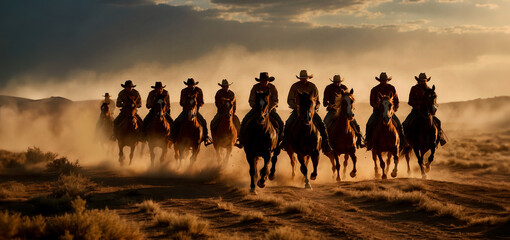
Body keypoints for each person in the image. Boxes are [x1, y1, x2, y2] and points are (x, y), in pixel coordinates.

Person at [283, 70, 333, 154]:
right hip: (298, 110)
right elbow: (289, 100)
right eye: (302, 78)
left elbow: (317, 101)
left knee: (321, 124)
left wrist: (313, 108)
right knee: (288, 123)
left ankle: (326, 143)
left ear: (308, 78)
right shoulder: (294, 87)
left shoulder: (312, 87)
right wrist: (296, 107)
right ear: (300, 79)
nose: (303, 80)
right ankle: (285, 142)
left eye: (305, 78)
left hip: (310, 110)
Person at [238, 72, 284, 148]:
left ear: (268, 81)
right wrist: (256, 107)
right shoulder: (255, 87)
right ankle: (241, 139)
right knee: (244, 120)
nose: (264, 82)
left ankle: (281, 140)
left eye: (265, 81)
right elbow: (251, 100)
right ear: (260, 81)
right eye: (262, 81)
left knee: (280, 122)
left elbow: (275, 100)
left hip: (269, 109)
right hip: (257, 109)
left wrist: (270, 108)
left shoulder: (272, 88)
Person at [365, 72, 408, 150]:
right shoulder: (375, 89)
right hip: (377, 112)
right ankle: (368, 142)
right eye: (382, 80)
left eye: (385, 80)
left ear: (387, 80)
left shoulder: (392, 88)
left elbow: (396, 100)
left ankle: (402, 142)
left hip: (389, 112)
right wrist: (379, 107)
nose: (384, 81)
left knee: (399, 125)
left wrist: (394, 108)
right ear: (380, 80)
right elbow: (372, 102)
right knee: (369, 124)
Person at [403, 73, 447, 146]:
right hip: (416, 110)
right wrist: (417, 105)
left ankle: (440, 138)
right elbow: (410, 101)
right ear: (418, 81)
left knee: (438, 122)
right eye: (421, 81)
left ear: (426, 81)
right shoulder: (414, 89)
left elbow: (433, 100)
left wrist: (432, 106)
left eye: (424, 81)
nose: (423, 82)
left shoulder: (429, 90)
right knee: (405, 123)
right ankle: (404, 140)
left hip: (427, 111)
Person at [323, 74, 365, 148]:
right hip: (333, 111)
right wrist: (328, 104)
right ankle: (325, 143)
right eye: (335, 82)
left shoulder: (344, 88)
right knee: (325, 124)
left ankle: (359, 140)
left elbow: (348, 98)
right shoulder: (328, 88)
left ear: (340, 81)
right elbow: (324, 102)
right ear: (333, 82)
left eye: (338, 82)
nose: (337, 83)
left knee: (355, 124)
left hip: (345, 111)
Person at [172, 78, 212, 146]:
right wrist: (188, 102)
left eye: (192, 85)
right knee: (176, 121)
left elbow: (202, 102)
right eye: (189, 85)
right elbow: (181, 103)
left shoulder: (198, 90)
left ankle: (205, 137)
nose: (191, 86)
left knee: (203, 121)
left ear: (194, 85)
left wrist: (196, 103)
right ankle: (173, 137)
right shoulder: (184, 91)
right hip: (185, 111)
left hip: (195, 111)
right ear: (187, 85)